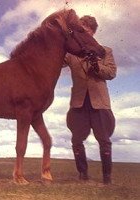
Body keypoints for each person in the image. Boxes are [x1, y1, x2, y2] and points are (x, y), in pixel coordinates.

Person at [64, 15, 117, 184]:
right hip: (79, 102)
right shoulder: (71, 54)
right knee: (76, 139)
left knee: (104, 140)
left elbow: (111, 73)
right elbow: (56, 60)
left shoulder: (105, 51)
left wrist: (96, 64)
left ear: (92, 32)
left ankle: (107, 177)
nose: (82, 32)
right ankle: (83, 174)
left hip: (99, 102)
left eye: (85, 29)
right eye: (80, 29)